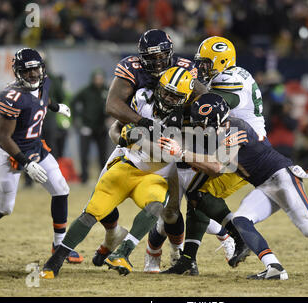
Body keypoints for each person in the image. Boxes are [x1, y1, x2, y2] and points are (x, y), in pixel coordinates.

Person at [161, 92, 308, 279]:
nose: (201, 129)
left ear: (217, 119)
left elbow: (217, 167)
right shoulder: (220, 129)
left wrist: (180, 152)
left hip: (282, 178)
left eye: (204, 125)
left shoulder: (235, 128)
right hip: (264, 185)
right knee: (241, 220)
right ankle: (274, 267)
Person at [91, 29, 232, 269]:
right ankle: (112, 237)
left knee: (173, 210)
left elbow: (207, 102)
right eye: (152, 57)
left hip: (173, 144)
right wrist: (139, 126)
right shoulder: (133, 71)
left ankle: (192, 247)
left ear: (171, 53)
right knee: (100, 195)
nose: (157, 62)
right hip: (139, 142)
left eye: (162, 56)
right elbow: (113, 106)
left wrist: (210, 131)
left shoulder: (186, 69)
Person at [40, 67, 195, 278]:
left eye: (174, 96)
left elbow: (167, 154)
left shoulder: (188, 117)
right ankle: (55, 261)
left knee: (158, 206)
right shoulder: (142, 98)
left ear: (184, 99)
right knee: (93, 210)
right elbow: (117, 128)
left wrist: (137, 138)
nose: (167, 98)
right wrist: (123, 137)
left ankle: (123, 252)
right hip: (127, 164)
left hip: (156, 175)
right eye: (165, 92)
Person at [0, 48, 82, 266]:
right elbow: (4, 138)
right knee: (4, 207)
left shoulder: (45, 83)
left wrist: (55, 106)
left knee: (62, 189)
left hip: (36, 146)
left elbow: (43, 99)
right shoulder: (11, 97)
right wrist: (26, 164)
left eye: (37, 69)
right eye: (28, 71)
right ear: (18, 73)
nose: (34, 74)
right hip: (11, 152)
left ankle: (59, 245)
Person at [159, 35, 268, 274]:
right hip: (234, 144)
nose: (202, 67)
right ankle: (188, 259)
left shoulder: (231, 78)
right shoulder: (230, 74)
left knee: (199, 192)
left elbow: (214, 102)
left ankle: (240, 237)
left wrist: (182, 91)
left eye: (207, 63)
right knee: (196, 192)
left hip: (246, 149)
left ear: (222, 61)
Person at [71, 68, 115, 184]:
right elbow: (73, 102)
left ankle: (103, 177)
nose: (98, 81)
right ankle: (84, 177)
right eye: (96, 78)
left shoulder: (107, 91)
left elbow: (113, 105)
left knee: (103, 154)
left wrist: (110, 117)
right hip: (87, 127)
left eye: (100, 78)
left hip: (101, 127)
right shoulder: (86, 91)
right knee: (84, 154)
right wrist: (77, 118)